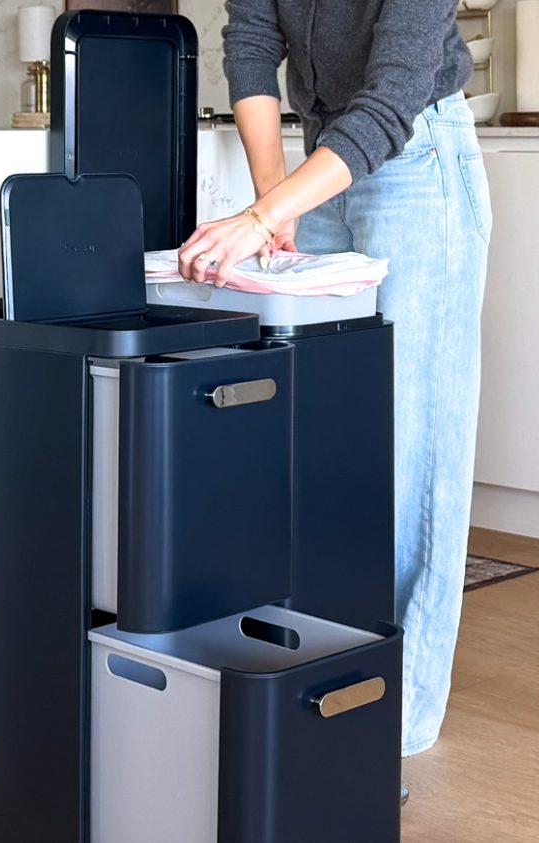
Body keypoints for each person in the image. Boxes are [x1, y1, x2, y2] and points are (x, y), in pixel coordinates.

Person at [178, 0, 491, 763]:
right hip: (321, 171)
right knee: (315, 442)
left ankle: (400, 711)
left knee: (412, 448)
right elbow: (251, 40)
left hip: (417, 159)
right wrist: (272, 199)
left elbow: (389, 102)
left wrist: (258, 219)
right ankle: (326, 676)